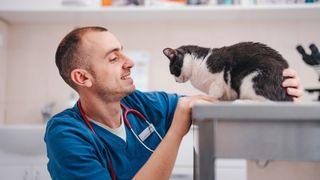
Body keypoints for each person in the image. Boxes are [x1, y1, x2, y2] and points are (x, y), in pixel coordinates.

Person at [44, 26, 303, 180]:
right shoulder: (65, 134)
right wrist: (177, 129)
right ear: (82, 77)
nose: (129, 61)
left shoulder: (142, 105)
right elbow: (182, 114)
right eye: (113, 58)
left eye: (123, 51)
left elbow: (214, 106)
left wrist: (275, 92)